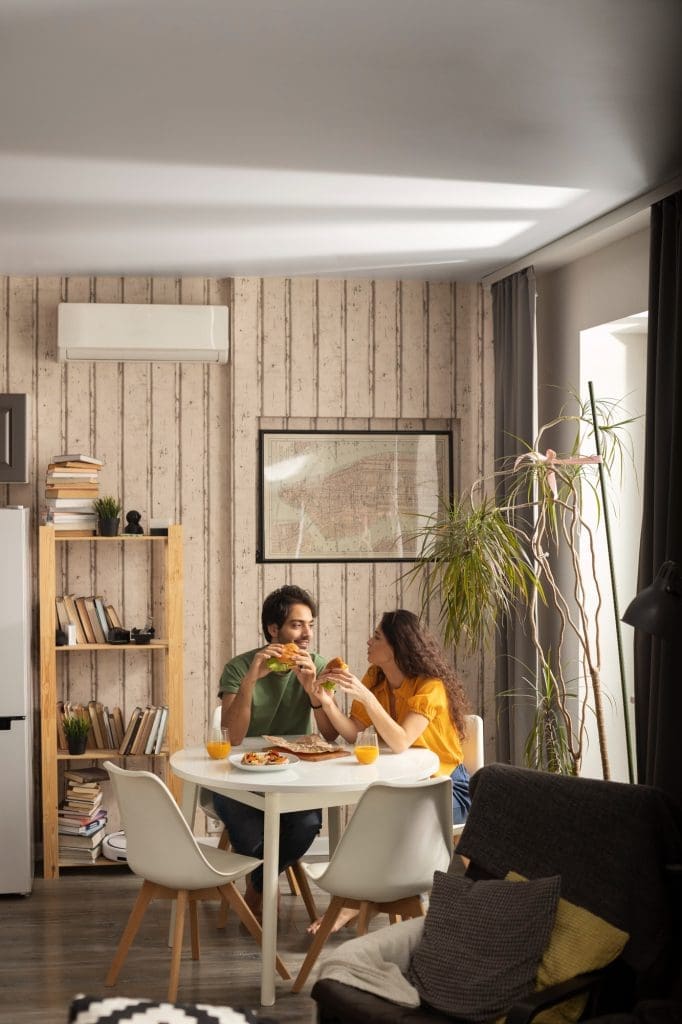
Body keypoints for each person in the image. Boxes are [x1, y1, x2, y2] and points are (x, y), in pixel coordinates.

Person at [307, 607, 471, 932]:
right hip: (405, 785)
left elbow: (400, 742)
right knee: (378, 815)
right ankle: (363, 898)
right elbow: (354, 732)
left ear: (396, 647)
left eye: (377, 637)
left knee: (387, 818)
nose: (369, 641)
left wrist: (366, 696)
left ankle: (355, 903)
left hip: (446, 787)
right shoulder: (376, 678)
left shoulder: (430, 687)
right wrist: (324, 701)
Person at [213, 584, 336, 918]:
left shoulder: (318, 664)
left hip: (294, 777)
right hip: (240, 777)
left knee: (308, 825)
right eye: (297, 625)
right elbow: (233, 737)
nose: (306, 633)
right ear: (273, 629)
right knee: (251, 830)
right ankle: (267, 884)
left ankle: (258, 884)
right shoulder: (240, 667)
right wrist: (252, 680)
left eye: (310, 624)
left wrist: (314, 692)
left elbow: (330, 734)